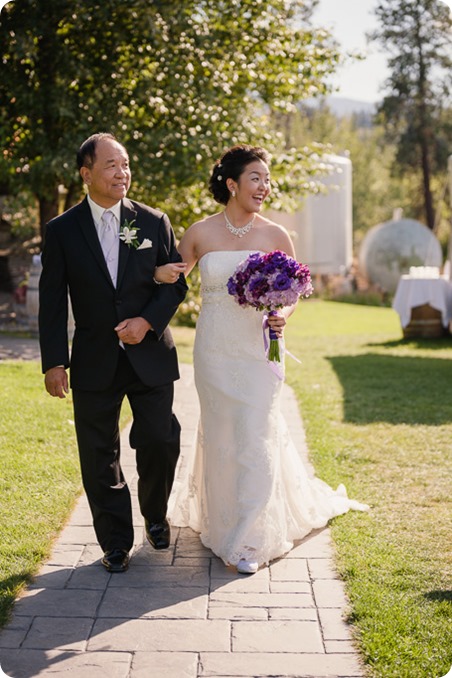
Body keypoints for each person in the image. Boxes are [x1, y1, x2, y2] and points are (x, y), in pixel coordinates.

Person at [158, 144, 368, 574]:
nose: (265, 187)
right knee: (222, 434)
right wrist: (161, 273)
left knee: (255, 434)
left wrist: (282, 316)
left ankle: (249, 540)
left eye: (267, 180)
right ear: (232, 184)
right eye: (256, 178)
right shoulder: (200, 231)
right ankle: (223, 519)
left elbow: (294, 293)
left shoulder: (276, 235)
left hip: (258, 350)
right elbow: (174, 278)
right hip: (214, 351)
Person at [39, 132, 188, 573]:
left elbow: (176, 281)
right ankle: (116, 541)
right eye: (111, 165)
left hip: (151, 355)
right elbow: (52, 301)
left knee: (161, 439)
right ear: (86, 174)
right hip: (93, 359)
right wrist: (53, 361)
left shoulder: (153, 221)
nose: (122, 172)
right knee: (98, 453)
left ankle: (155, 514)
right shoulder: (62, 230)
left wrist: (147, 322)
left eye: (125, 165)